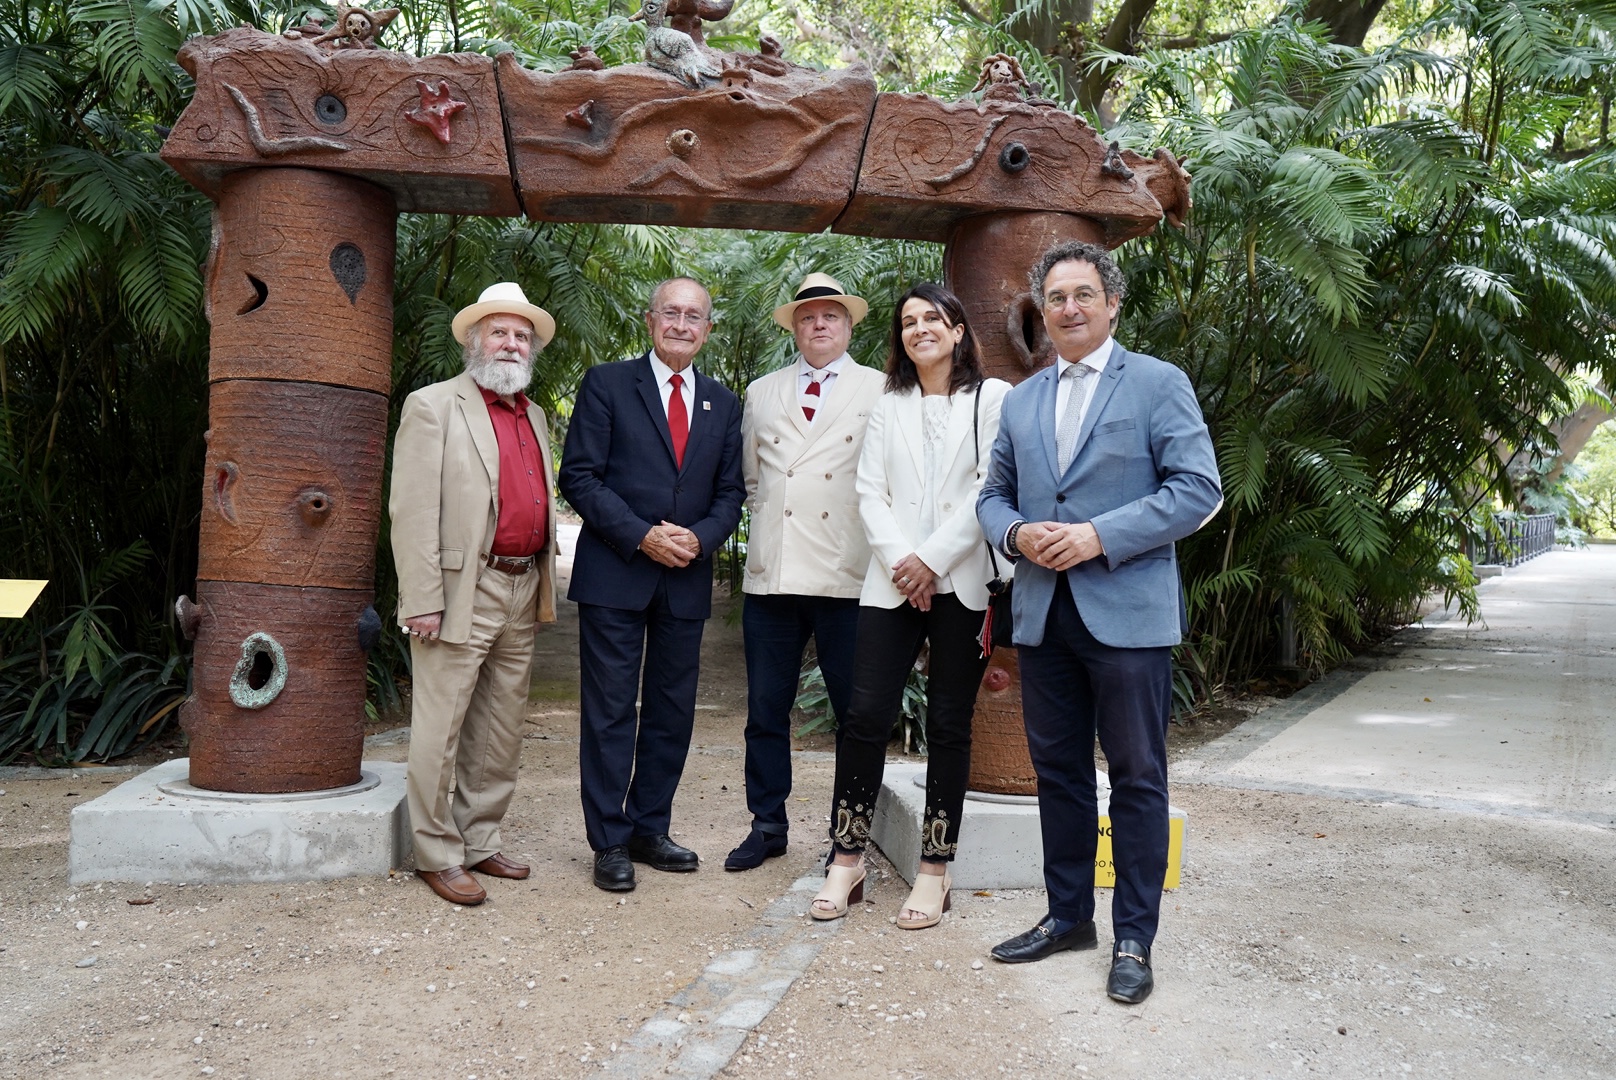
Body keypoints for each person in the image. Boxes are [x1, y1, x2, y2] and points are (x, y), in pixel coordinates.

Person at [977, 240, 1222, 1003]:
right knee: (1057, 776)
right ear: (1042, 312)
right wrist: (1017, 536)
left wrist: (1098, 536)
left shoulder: (1157, 383)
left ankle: (1134, 939)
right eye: (1056, 298)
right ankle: (1066, 917)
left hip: (1128, 615)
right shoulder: (1022, 398)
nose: (1070, 309)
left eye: (1084, 295)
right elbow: (993, 498)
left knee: (1139, 778)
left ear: (1113, 303)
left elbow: (1198, 490)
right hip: (1045, 614)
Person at [809, 282, 1011, 929]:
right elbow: (869, 493)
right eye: (908, 321)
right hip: (891, 582)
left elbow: (991, 489)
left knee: (950, 723)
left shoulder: (992, 400)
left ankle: (934, 869)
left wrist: (933, 561)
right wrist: (906, 563)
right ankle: (847, 859)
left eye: (933, 318)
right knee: (864, 716)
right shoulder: (887, 403)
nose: (919, 328)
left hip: (963, 582)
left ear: (958, 330)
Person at [558, 277, 745, 892]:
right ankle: (608, 840)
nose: (682, 324)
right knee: (610, 710)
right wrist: (642, 535)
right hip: (617, 572)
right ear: (650, 319)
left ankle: (649, 826)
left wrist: (701, 539)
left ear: (707, 329)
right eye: (672, 312)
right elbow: (580, 478)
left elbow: (730, 493)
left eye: (694, 316)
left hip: (685, 579)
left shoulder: (723, 401)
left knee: (672, 712)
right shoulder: (607, 384)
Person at [390, 281, 560, 906]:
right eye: (499, 332)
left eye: (521, 335)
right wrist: (422, 599)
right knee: (441, 726)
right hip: (464, 587)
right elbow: (410, 512)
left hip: (521, 585)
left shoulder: (535, 414)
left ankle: (479, 838)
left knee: (500, 726)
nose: (511, 343)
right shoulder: (433, 405)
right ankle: (436, 852)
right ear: (473, 340)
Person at [725, 273, 886, 871]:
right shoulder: (762, 391)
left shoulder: (881, 388)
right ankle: (767, 824)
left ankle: (848, 836)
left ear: (849, 325)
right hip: (775, 573)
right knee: (766, 709)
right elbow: (750, 480)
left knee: (854, 712)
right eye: (808, 317)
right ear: (795, 327)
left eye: (831, 316)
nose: (819, 325)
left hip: (849, 575)